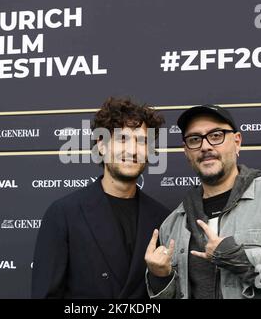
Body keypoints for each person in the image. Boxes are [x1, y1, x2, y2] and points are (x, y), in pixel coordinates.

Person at [145, 104, 261, 299]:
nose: (205, 146)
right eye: (194, 139)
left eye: (216, 136)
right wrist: (160, 278)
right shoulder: (173, 223)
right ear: (186, 151)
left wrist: (237, 258)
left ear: (237, 141)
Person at [31, 97, 170, 298]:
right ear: (101, 146)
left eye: (142, 141)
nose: (132, 150)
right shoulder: (64, 214)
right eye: (122, 139)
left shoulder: (162, 218)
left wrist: (161, 276)